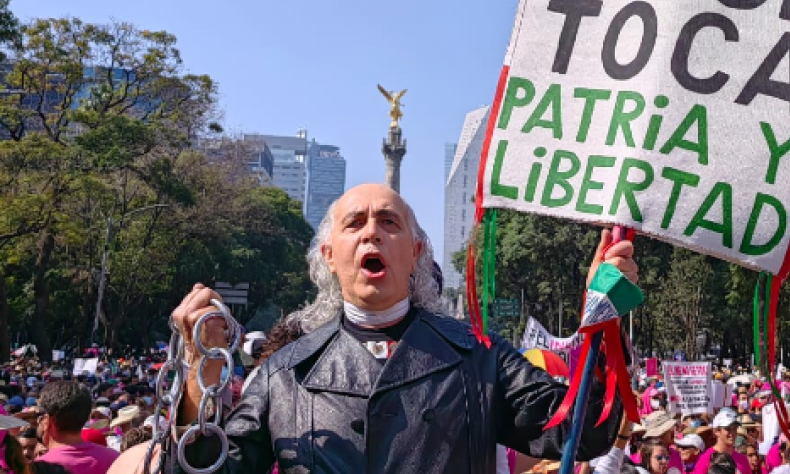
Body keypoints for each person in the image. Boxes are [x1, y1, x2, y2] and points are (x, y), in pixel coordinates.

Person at [114, 183, 636, 474]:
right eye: (354, 224)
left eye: (389, 222)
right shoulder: (283, 374)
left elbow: (583, 432)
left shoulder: (480, 358)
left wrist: (604, 318)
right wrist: (196, 372)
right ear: (329, 256)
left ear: (415, 253)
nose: (372, 233)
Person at [34, 381, 118, 474]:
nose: (37, 420)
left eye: (38, 415)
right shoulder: (116, 459)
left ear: (46, 420)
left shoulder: (38, 469)